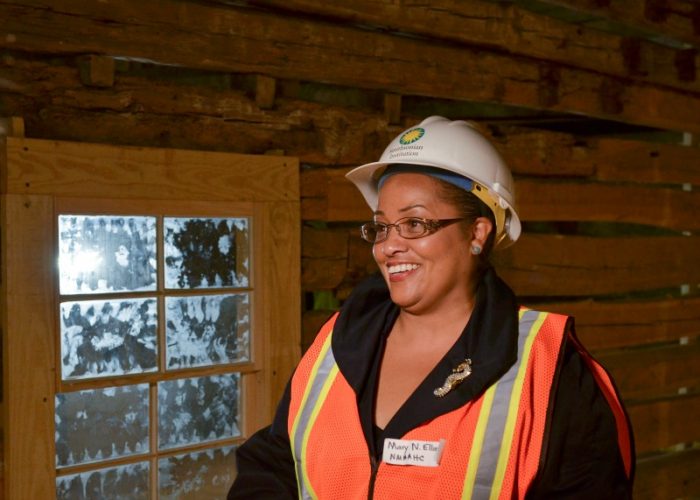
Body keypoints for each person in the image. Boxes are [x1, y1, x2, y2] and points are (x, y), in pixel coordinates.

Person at [228, 116, 634, 499]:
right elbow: (276, 460)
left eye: (415, 224)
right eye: (382, 226)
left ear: (477, 233)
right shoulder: (338, 341)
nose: (388, 246)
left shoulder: (549, 368)